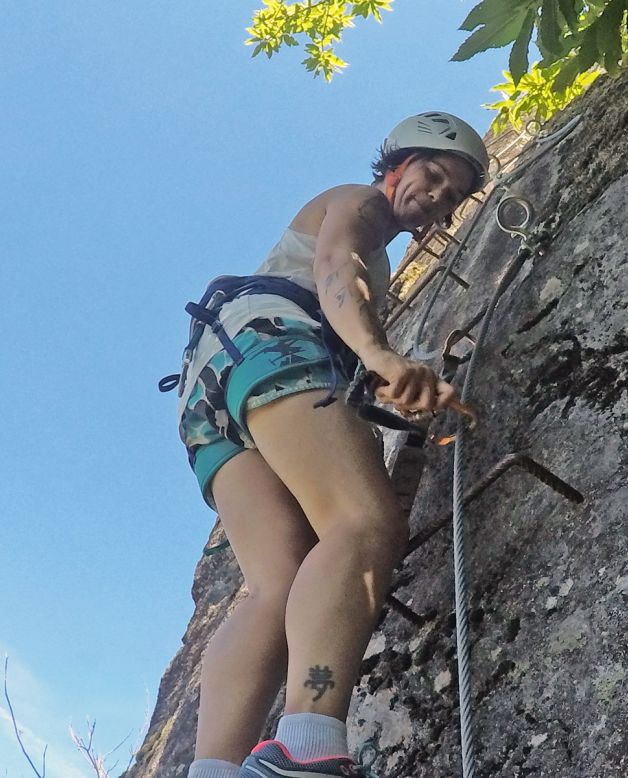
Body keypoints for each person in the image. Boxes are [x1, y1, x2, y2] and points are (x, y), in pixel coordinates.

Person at [173, 111, 489, 778]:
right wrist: (378, 353)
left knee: (275, 582)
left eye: (452, 194)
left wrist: (380, 361)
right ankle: (306, 746)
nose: (435, 196)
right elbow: (334, 264)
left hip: (214, 383)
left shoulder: (383, 249)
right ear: (395, 165)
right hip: (268, 341)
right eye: (431, 175)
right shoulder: (361, 204)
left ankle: (212, 770)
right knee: (364, 521)